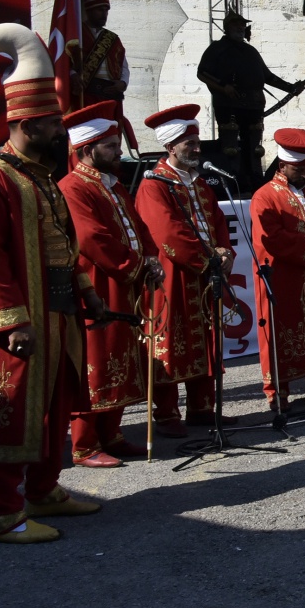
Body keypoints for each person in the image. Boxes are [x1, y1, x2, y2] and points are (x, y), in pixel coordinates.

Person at [0, 23, 105, 543]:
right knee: (10, 412)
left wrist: (86, 292)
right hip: (20, 318)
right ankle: (2, 515)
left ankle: (45, 490)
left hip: (58, 308)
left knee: (53, 406)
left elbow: (61, 245)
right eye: (50, 122)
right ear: (25, 122)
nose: (58, 130)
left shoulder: (39, 177)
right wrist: (9, 322)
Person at [58, 102, 162, 467]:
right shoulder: (73, 188)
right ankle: (85, 443)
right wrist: (134, 266)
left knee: (122, 355)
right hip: (97, 283)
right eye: (111, 147)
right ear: (87, 149)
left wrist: (151, 259)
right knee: (96, 360)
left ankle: (112, 433)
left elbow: (140, 228)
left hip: (124, 281)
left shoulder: (113, 186)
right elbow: (91, 238)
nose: (119, 153)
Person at [135, 104, 234, 437]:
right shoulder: (154, 185)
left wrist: (226, 253)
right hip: (173, 276)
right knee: (171, 341)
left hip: (205, 274)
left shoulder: (201, 184)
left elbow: (219, 224)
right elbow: (166, 233)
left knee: (205, 340)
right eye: (189, 143)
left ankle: (202, 409)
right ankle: (165, 414)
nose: (196, 148)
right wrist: (209, 259)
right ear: (170, 146)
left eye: (196, 141)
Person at [251, 129, 305, 409]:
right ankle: (278, 391)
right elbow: (273, 238)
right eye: (298, 169)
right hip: (284, 277)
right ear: (281, 166)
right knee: (281, 332)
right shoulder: (265, 196)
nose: (304, 173)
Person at [197, 10, 305, 192]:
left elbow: (267, 77)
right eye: (236, 24)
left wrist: (290, 88)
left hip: (254, 106)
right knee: (231, 146)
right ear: (227, 28)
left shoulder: (250, 51)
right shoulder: (217, 48)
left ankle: (255, 180)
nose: (241, 28)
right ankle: (233, 181)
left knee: (255, 147)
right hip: (229, 105)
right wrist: (223, 87)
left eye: (242, 24)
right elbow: (202, 73)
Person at [74, 0, 137, 150]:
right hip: (85, 97)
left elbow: (123, 66)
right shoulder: (75, 35)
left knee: (110, 139)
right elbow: (63, 63)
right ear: (88, 10)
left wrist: (123, 83)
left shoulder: (112, 38)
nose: (104, 14)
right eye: (99, 9)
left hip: (110, 97)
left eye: (106, 10)